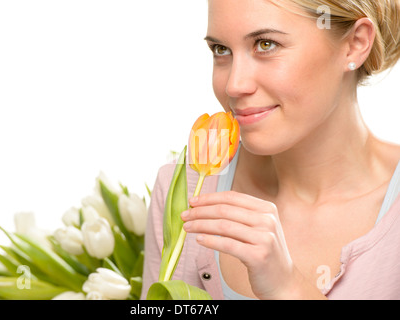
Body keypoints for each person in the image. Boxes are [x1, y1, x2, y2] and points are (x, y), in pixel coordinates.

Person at [141, 0, 400, 300]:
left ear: (355, 44)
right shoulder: (185, 191)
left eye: (266, 44)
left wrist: (288, 288)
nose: (234, 86)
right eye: (221, 50)